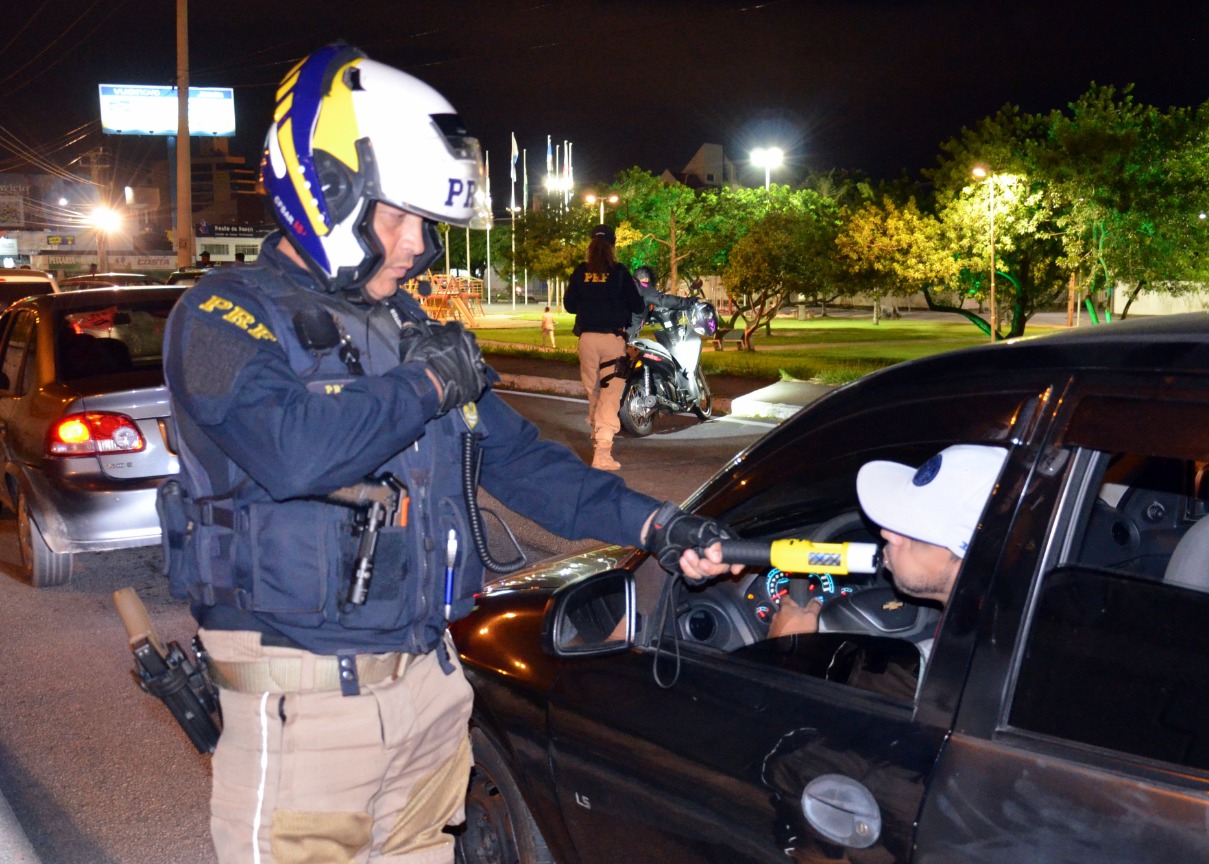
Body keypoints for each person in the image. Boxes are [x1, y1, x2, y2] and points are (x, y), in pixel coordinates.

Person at [160, 43, 736, 864]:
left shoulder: (409, 332)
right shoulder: (221, 317)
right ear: (324, 192)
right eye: (400, 216)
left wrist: (659, 525)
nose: (419, 244)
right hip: (307, 708)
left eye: (426, 222)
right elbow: (295, 453)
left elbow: (524, 463)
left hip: (430, 687)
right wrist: (431, 382)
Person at [768, 443, 1007, 657]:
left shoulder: (949, 668)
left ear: (972, 557)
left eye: (913, 531)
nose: (886, 533)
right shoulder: (1003, 621)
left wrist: (789, 651)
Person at [563, 224, 644, 470]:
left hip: (587, 340)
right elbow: (637, 305)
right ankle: (602, 452)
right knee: (610, 396)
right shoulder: (619, 273)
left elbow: (569, 305)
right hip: (612, 341)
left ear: (590, 246)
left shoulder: (580, 272)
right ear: (613, 246)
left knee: (595, 392)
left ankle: (596, 439)